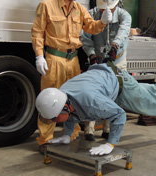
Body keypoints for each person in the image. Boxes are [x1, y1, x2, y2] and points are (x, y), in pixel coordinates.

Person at [35, 62, 156, 156]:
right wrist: (67, 134)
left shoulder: (92, 102)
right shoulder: (63, 95)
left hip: (121, 84)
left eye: (54, 118)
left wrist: (111, 143)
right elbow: (71, 114)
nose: (53, 121)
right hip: (105, 80)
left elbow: (119, 115)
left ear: (64, 107)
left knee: (148, 105)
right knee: (143, 96)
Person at [31, 0, 113, 153]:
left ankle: (71, 135)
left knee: (73, 99)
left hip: (73, 59)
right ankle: (45, 140)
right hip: (54, 58)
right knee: (49, 100)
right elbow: (37, 32)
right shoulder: (47, 5)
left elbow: (91, 27)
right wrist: (39, 56)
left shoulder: (79, 8)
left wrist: (102, 22)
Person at [80, 0, 131, 142]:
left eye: (108, 10)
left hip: (117, 60)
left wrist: (115, 46)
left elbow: (123, 31)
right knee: (92, 93)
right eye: (102, 10)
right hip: (98, 58)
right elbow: (85, 37)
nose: (105, 12)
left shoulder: (124, 16)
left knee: (114, 95)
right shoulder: (91, 14)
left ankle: (108, 129)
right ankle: (89, 129)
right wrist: (92, 54)